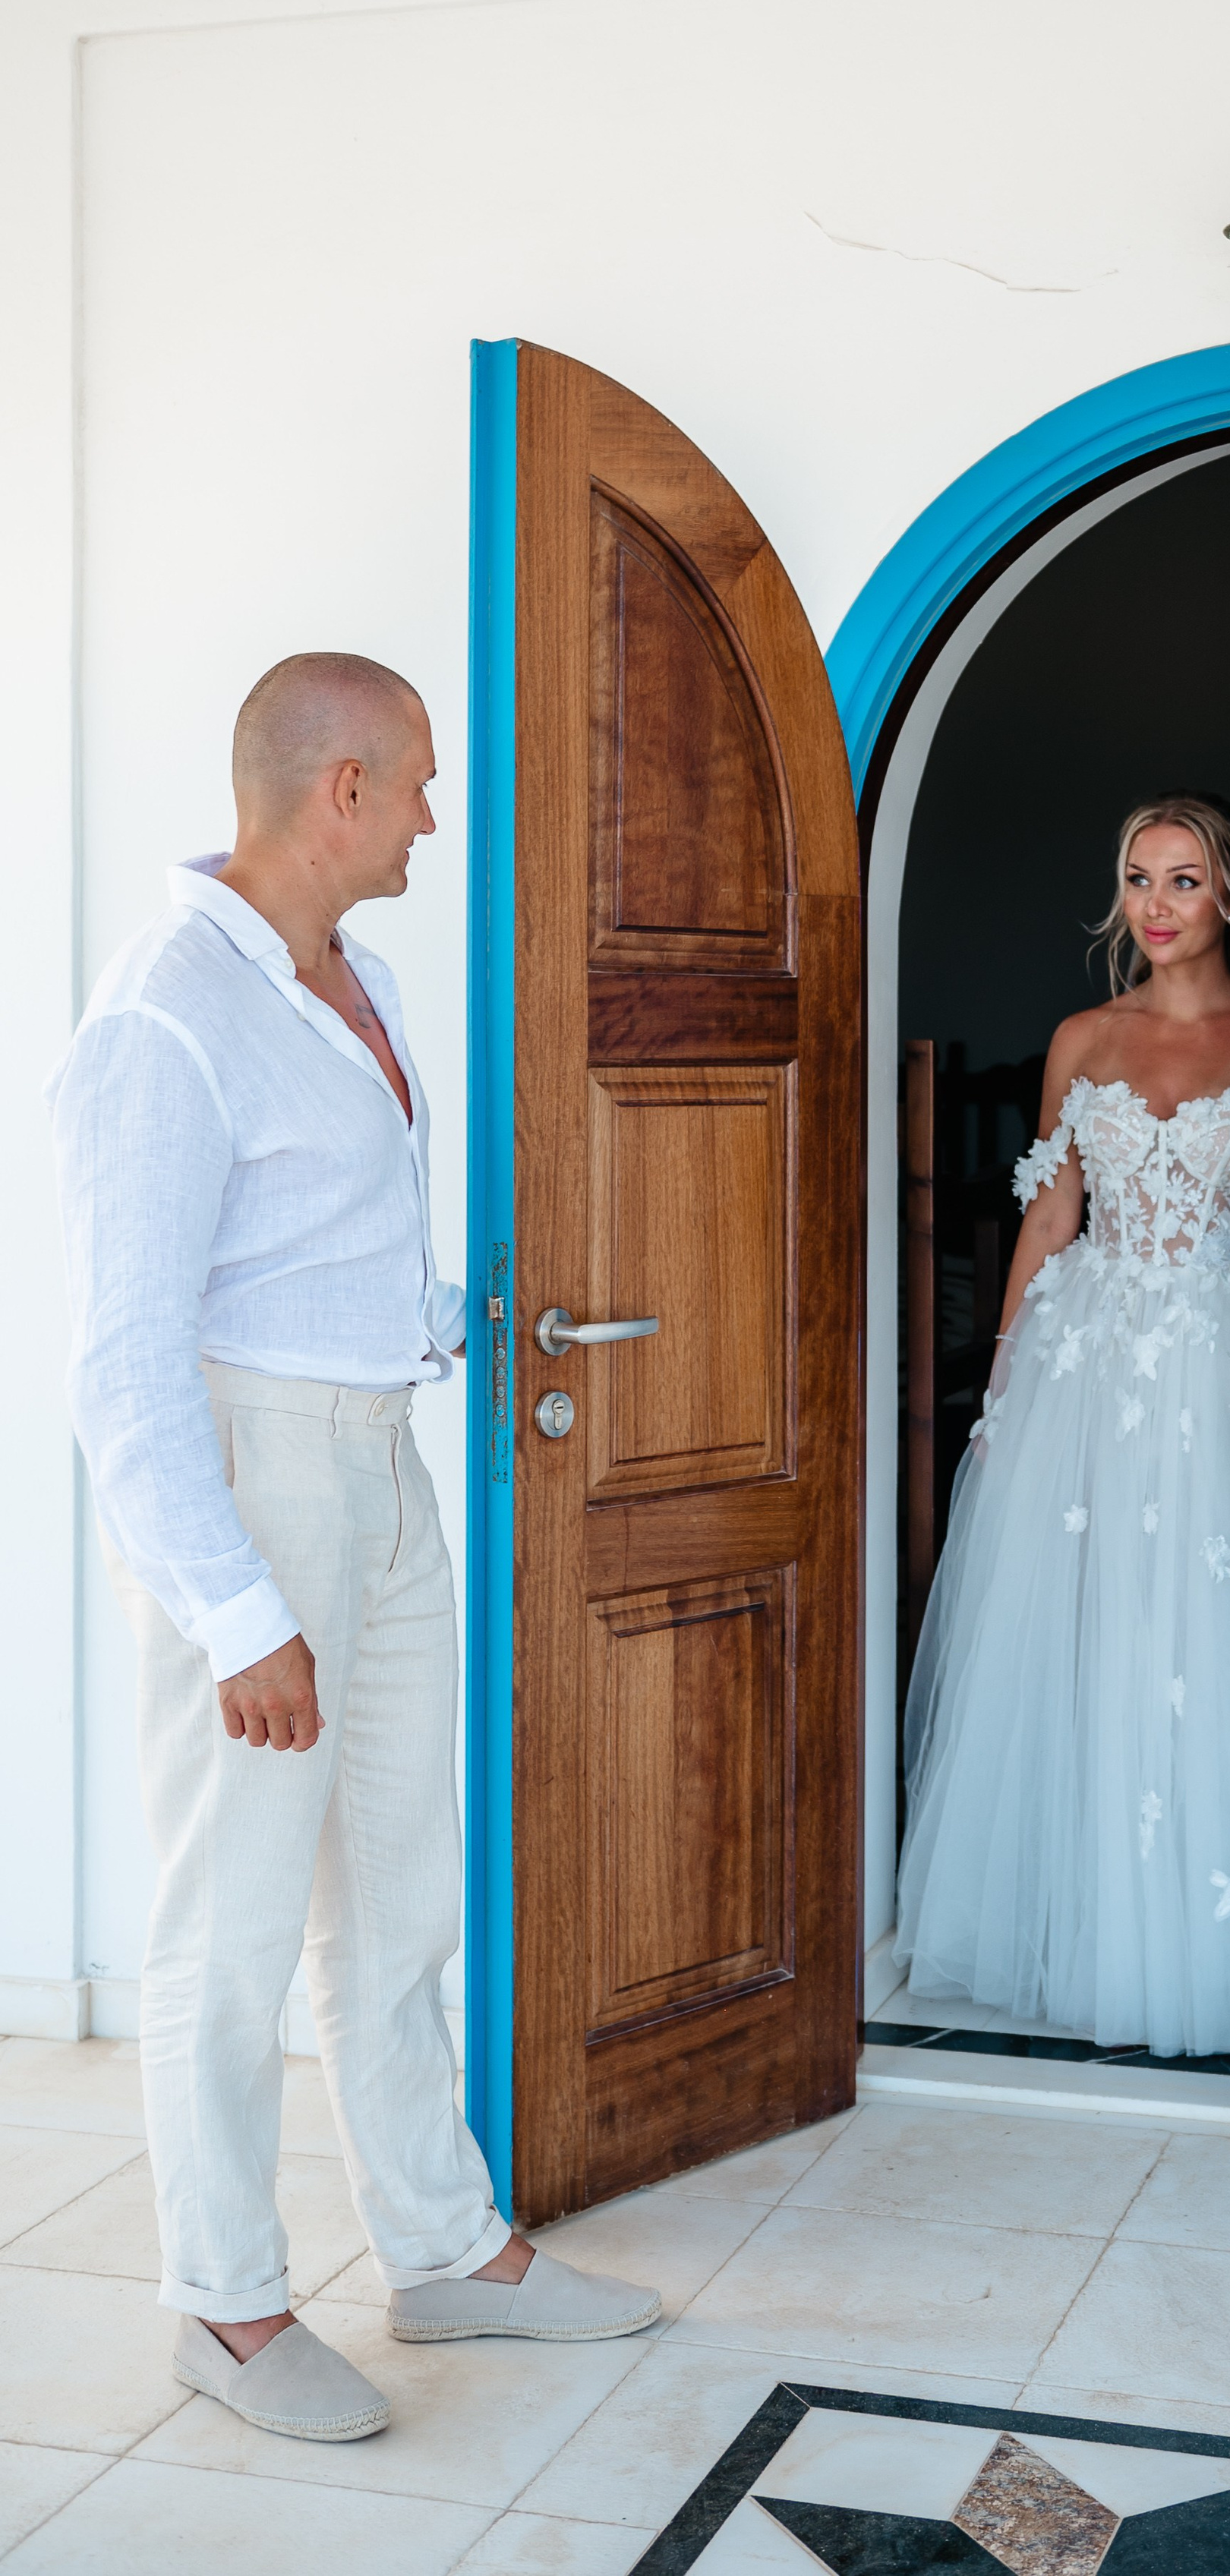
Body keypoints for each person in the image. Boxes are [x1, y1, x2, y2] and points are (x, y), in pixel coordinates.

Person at [49, 654, 658, 2445]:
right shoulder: (161, 1017)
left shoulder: (355, 979)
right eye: (416, 786)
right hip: (251, 1481)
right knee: (230, 1920)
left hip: (380, 1465)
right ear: (338, 787)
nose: (430, 817)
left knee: (400, 1889)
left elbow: (317, 1242)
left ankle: (441, 2247)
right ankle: (225, 2307)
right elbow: (122, 1361)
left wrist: (468, 1319)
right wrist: (235, 1607)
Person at [894, 793, 1230, 2061]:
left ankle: (1228, 1948)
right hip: (1095, 1366)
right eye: (1140, 878)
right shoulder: (1085, 1039)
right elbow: (1048, 1216)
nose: (1159, 906)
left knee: (1229, 1635)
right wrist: (1007, 1379)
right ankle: (1092, 1933)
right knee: (1101, 1627)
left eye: (1187, 880)